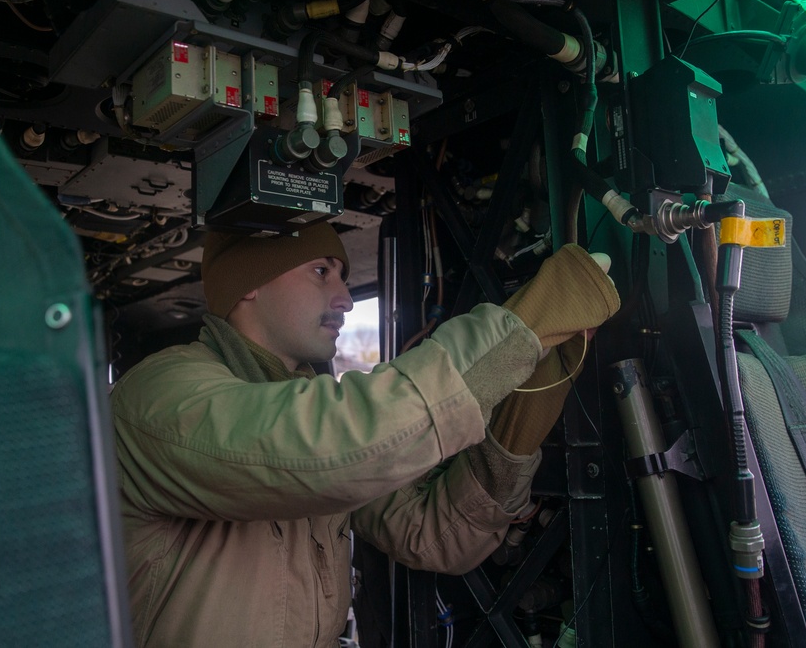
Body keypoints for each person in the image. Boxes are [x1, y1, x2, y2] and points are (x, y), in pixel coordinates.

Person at [111, 221, 619, 647]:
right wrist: (523, 324)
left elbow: (438, 535)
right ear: (249, 283)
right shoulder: (162, 394)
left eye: (343, 276)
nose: (346, 298)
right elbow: (334, 446)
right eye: (321, 272)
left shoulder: (305, 411)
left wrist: (526, 411)